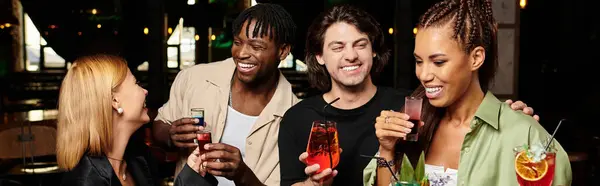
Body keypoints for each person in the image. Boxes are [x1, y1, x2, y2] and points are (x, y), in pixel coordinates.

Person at [278, 4, 537, 186]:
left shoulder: (415, 108)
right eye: (338, 47)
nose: (351, 55)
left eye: (360, 44)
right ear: (319, 56)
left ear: (375, 50)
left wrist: (509, 120)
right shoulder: (298, 118)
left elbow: (469, 116)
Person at [366, 0, 572, 185]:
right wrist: (387, 149)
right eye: (419, 61)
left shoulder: (524, 135)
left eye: (438, 62)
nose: (424, 74)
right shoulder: (415, 124)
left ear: (476, 58)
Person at [152, 3, 299, 186]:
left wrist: (242, 174)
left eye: (256, 46)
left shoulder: (295, 114)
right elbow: (159, 126)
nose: (242, 53)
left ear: (283, 51)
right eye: (238, 42)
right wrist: (170, 136)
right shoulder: (194, 78)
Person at [56, 55, 215, 186]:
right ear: (115, 101)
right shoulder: (86, 180)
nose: (145, 91)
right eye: (136, 83)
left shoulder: (139, 159)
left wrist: (192, 176)